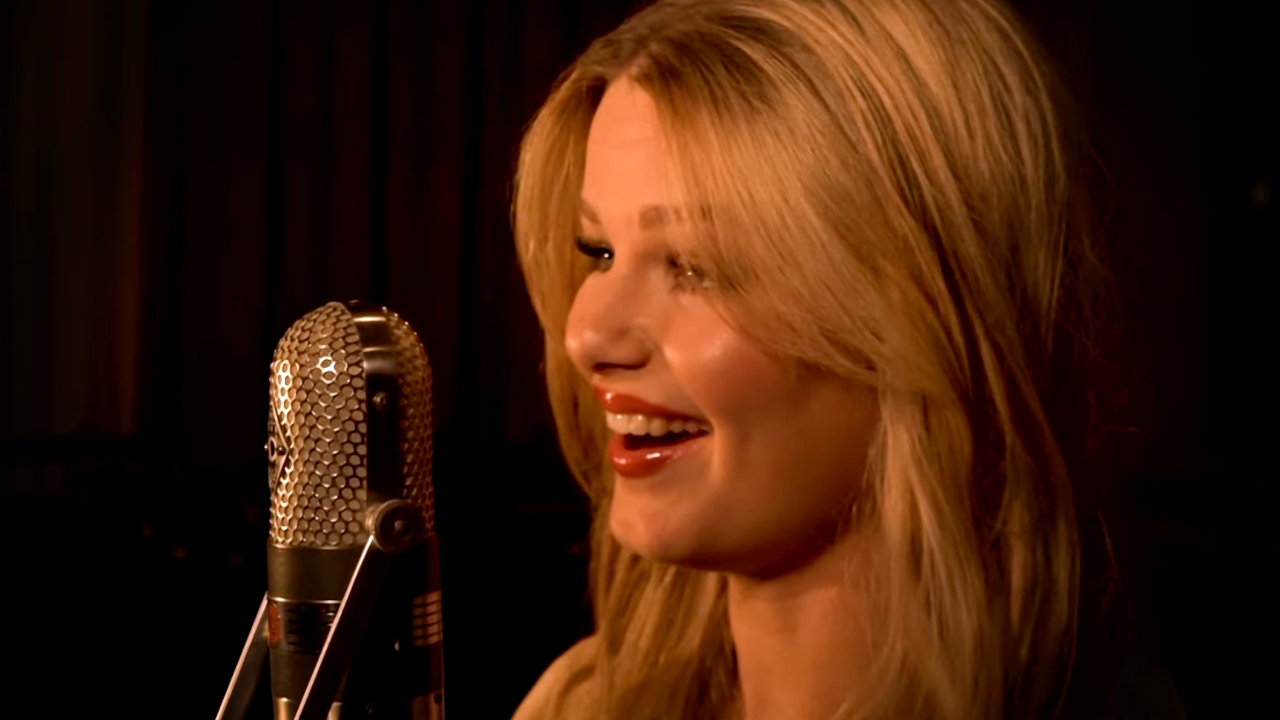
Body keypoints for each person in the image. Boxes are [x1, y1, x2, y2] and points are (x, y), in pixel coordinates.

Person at [508, 0, 1183, 718]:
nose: (586, 336)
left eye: (694, 265)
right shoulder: (577, 705)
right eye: (600, 252)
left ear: (921, 309)